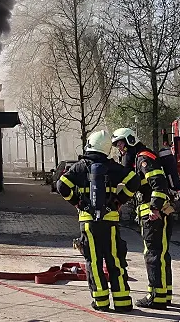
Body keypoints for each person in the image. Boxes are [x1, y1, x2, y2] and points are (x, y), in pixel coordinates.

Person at [56, 130, 140, 313]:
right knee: (115, 260)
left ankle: (101, 302)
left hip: (88, 222)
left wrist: (77, 203)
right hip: (110, 221)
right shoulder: (113, 166)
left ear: (90, 144)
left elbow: (61, 185)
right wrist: (118, 201)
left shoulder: (80, 166)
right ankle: (123, 301)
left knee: (94, 262)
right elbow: (134, 181)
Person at [111, 127, 173, 309]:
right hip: (157, 212)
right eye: (117, 146)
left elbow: (158, 184)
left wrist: (154, 208)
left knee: (153, 254)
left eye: (121, 144)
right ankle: (164, 293)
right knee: (160, 254)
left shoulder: (143, 158)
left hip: (154, 214)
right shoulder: (140, 158)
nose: (120, 149)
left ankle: (156, 297)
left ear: (130, 140)